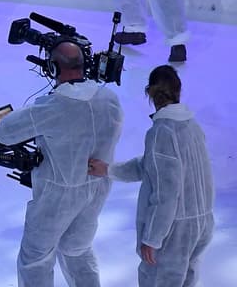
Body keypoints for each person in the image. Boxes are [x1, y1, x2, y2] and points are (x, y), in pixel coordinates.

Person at [0, 40, 123, 287]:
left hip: (58, 196)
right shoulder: (110, 98)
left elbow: (4, 134)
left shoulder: (52, 107)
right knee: (77, 249)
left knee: (36, 259)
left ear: (53, 68)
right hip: (97, 189)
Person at [88, 65, 215, 287]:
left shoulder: (161, 133)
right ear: (178, 89)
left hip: (174, 232)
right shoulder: (192, 126)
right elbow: (148, 166)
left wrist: (153, 238)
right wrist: (108, 170)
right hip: (201, 224)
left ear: (150, 93)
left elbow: (166, 193)